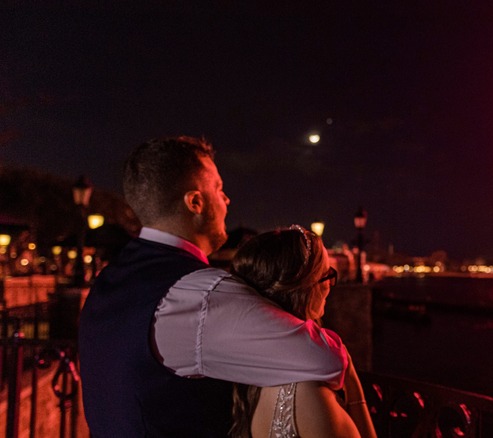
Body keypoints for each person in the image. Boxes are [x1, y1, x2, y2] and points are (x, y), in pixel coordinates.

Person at [78, 136, 348, 437]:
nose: (227, 199)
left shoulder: (110, 280)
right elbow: (324, 359)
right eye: (219, 189)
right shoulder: (199, 295)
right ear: (195, 202)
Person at [229, 227, 376, 438]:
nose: (331, 285)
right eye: (328, 275)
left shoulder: (255, 371)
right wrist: (354, 388)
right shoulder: (311, 397)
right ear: (305, 288)